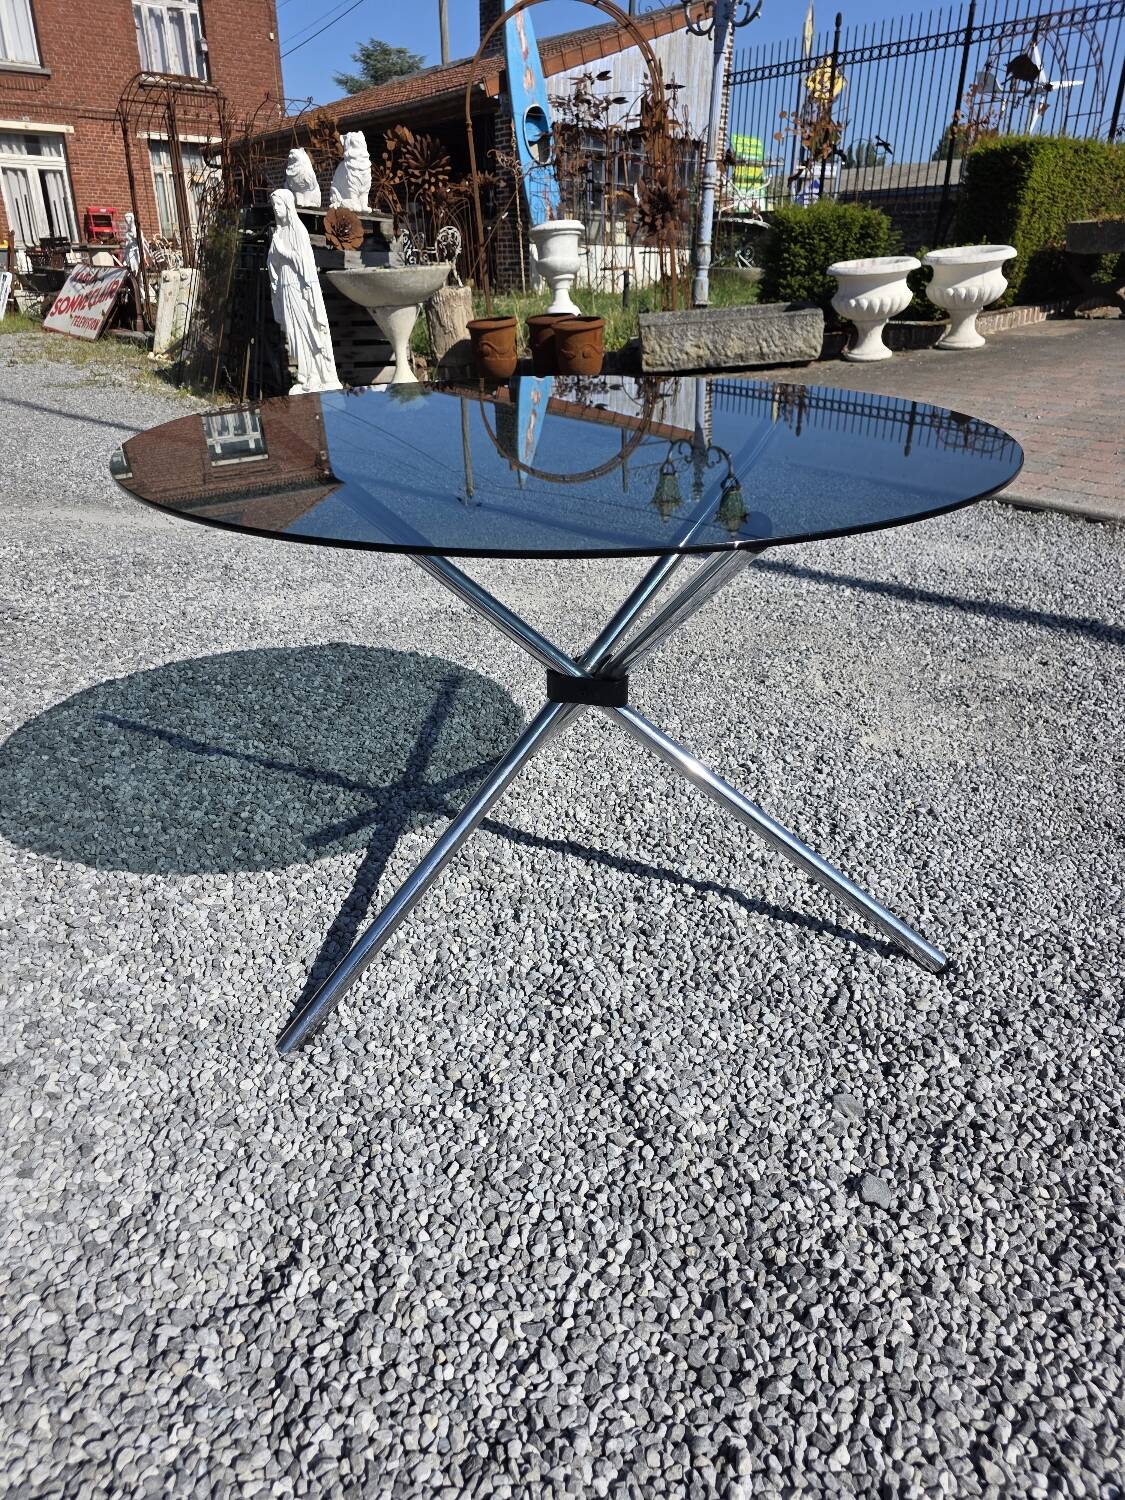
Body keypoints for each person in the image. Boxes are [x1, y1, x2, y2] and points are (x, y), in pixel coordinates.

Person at [267, 188, 341, 394]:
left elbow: (305, 262)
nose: (276, 209)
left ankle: (316, 375)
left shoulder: (298, 230)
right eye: (274, 206)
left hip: (299, 288)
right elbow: (272, 262)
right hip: (285, 286)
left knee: (307, 331)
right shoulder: (279, 232)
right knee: (293, 333)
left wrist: (283, 252)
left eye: (279, 205)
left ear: (288, 206)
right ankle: (305, 374)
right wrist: (274, 255)